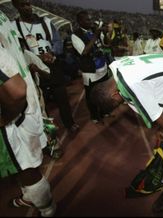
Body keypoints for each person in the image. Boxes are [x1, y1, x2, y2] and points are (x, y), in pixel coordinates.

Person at [90, 54, 163, 213]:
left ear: (114, 94)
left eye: (116, 104)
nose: (120, 105)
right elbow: (153, 93)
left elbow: (156, 114)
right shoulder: (117, 67)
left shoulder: (132, 84)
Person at [0, 9, 56, 216]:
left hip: (14, 110)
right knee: (23, 163)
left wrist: (5, 118)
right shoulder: (4, 15)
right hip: (26, 100)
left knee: (26, 168)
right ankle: (30, 197)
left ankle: (47, 209)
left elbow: (15, 92)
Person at [11, 0, 79, 133]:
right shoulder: (14, 26)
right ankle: (48, 131)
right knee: (41, 101)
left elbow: (57, 41)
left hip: (52, 64)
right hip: (34, 68)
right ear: (16, 6)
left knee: (62, 97)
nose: (28, 7)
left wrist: (51, 52)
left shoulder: (46, 22)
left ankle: (69, 123)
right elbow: (19, 48)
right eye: (23, 5)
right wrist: (34, 58)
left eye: (28, 3)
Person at [71, 10, 110, 123]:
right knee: (92, 95)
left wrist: (105, 33)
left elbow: (105, 44)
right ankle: (94, 116)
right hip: (90, 72)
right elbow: (84, 52)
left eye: (91, 19)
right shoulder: (75, 35)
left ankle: (103, 111)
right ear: (80, 21)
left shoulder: (93, 30)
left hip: (102, 67)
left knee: (103, 92)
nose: (91, 21)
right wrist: (96, 35)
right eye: (87, 19)